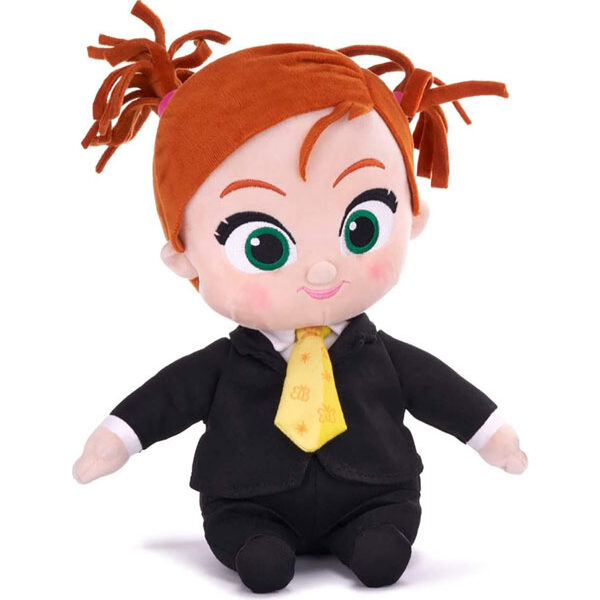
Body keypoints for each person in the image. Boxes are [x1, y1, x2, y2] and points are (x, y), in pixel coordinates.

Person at [73, 2, 527, 593]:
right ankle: (255, 545)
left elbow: (441, 393)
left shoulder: (384, 357)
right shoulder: (223, 365)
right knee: (256, 554)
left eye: (360, 227)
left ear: (410, 218)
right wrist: (115, 440)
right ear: (185, 257)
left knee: (384, 540)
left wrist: (495, 438)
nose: (321, 267)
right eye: (263, 245)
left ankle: (375, 535)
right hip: (247, 499)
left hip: (376, 492)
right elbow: (166, 399)